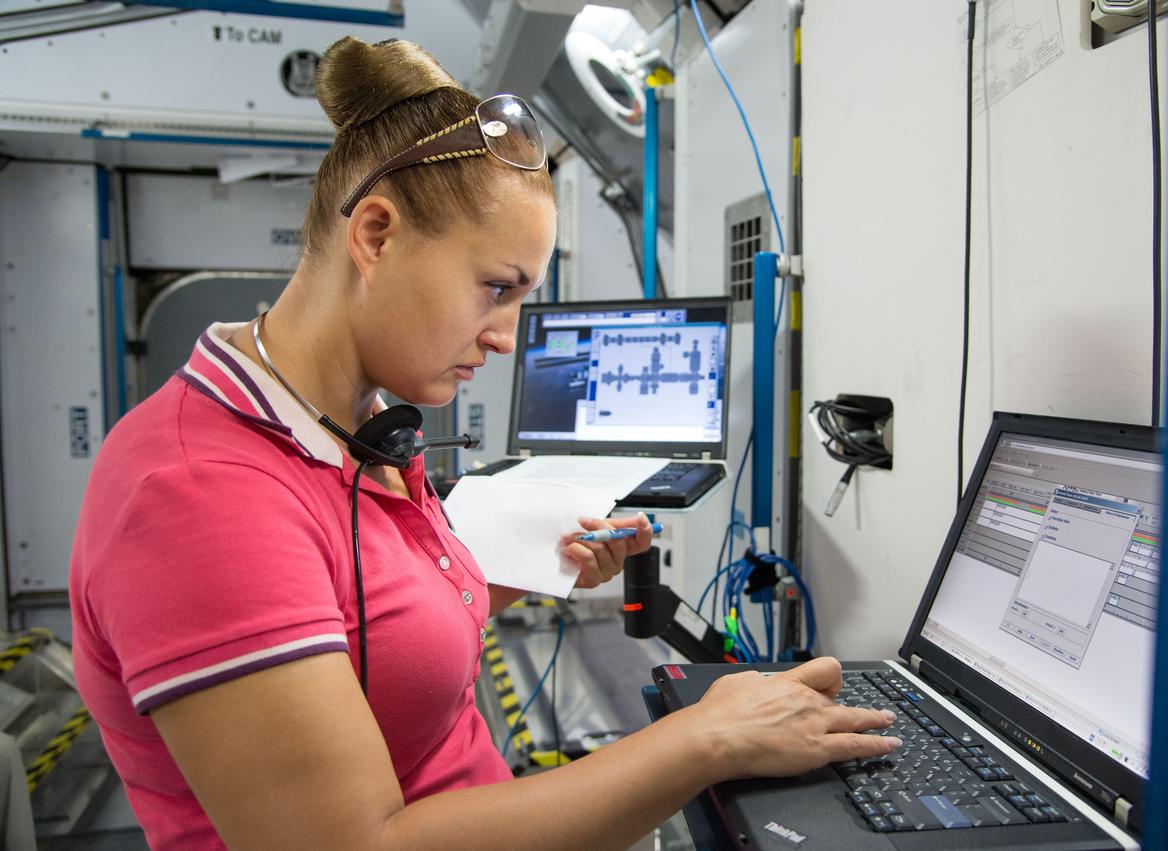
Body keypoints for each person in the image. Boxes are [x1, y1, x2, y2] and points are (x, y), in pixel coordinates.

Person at [68, 36, 900, 850]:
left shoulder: (358, 429)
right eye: (496, 288)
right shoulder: (195, 491)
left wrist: (531, 567)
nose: (505, 337)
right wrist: (705, 738)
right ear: (376, 234)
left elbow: (367, 634)